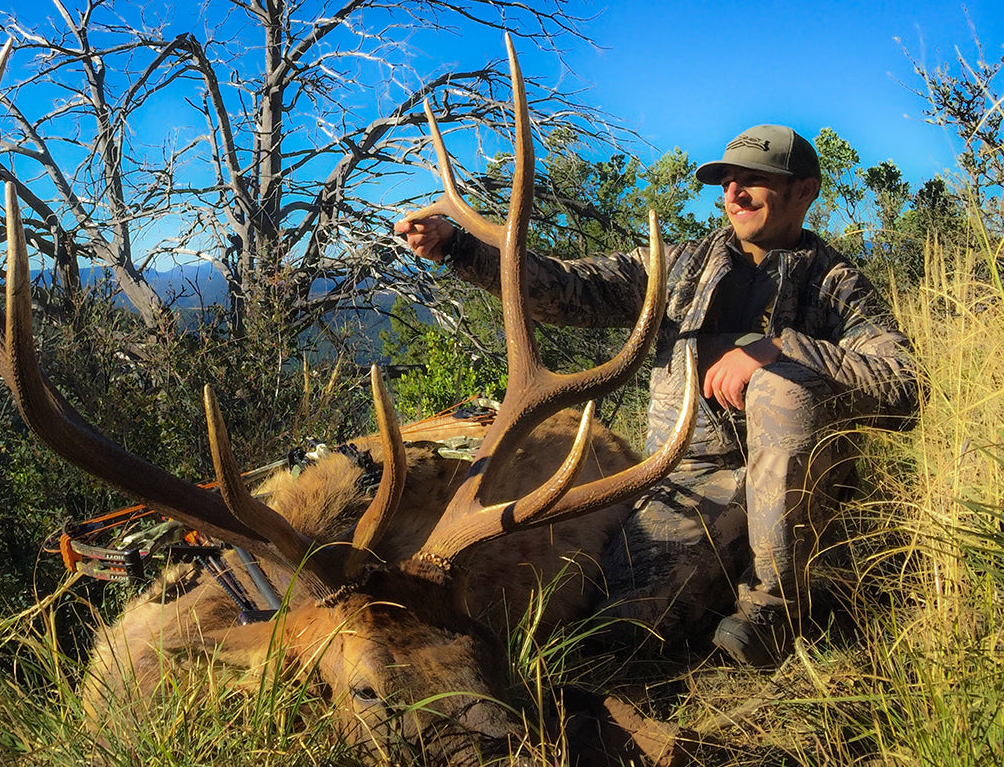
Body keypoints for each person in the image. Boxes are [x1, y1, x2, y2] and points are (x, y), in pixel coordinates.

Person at [394, 125, 919, 668]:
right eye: (727, 182)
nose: (733, 195)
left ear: (804, 191)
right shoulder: (680, 266)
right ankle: (723, 593)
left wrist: (780, 349)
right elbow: (567, 287)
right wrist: (458, 248)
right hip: (687, 476)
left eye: (753, 182)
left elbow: (905, 382)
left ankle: (777, 609)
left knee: (782, 387)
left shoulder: (836, 286)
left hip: (800, 482)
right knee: (616, 632)